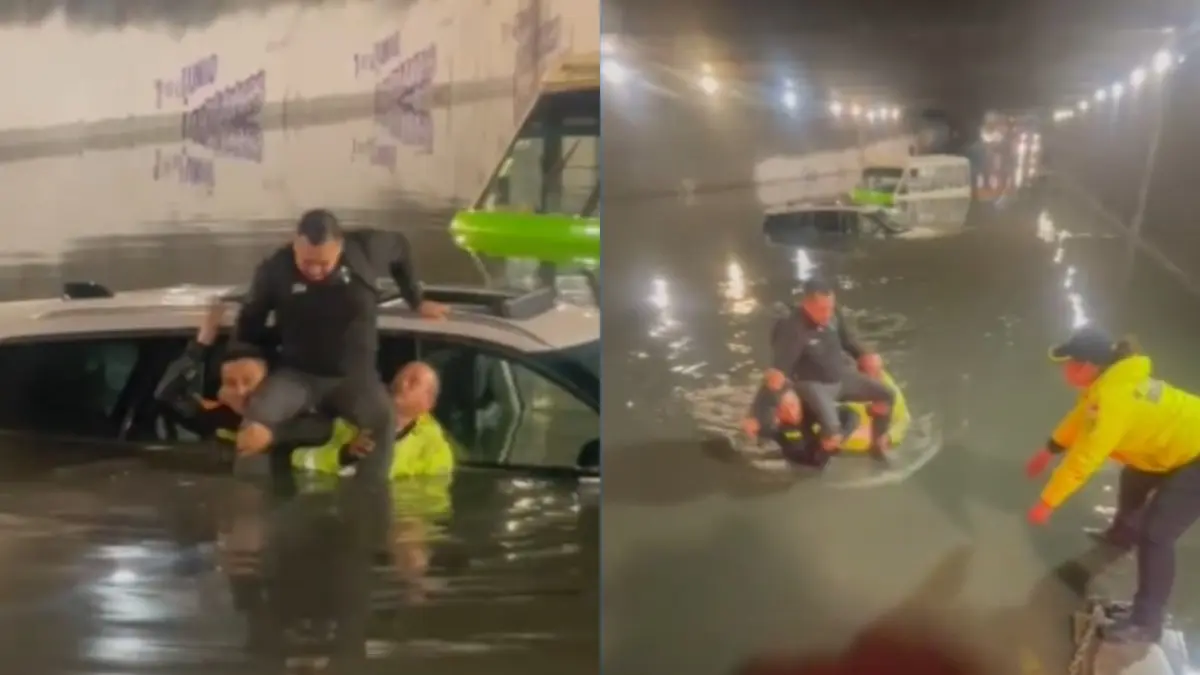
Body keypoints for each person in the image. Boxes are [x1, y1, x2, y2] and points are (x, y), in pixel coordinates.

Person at [234, 208, 449, 483]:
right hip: (298, 375)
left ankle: (372, 500)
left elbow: (401, 247)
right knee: (257, 421)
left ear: (339, 246)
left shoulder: (366, 250)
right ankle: (247, 500)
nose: (314, 271)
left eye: (324, 263)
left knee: (382, 420)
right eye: (306, 262)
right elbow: (249, 325)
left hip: (354, 378)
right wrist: (250, 362)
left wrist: (416, 300)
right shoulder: (274, 269)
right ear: (295, 244)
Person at [1024, 325, 1200, 643]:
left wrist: (1047, 502)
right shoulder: (1109, 382)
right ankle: (1121, 536)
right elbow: (1081, 417)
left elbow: (1085, 459)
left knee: (1157, 535)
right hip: (1172, 445)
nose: (1064, 370)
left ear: (1087, 366)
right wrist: (1050, 448)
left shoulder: (1113, 400)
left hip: (1195, 456)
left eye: (1069, 363)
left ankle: (1146, 623)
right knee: (1132, 477)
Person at [155, 298, 345, 457]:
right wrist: (200, 346)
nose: (241, 391)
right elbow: (167, 394)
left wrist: (271, 435)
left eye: (249, 381)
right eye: (230, 383)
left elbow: (322, 428)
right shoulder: (218, 418)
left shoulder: (296, 417)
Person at [743, 277, 894, 459]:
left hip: (842, 377)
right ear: (807, 304)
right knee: (833, 431)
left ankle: (878, 445)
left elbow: (848, 341)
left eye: (830, 308)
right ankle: (818, 454)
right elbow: (777, 375)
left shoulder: (833, 313)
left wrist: (865, 355)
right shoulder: (792, 329)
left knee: (886, 396)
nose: (828, 314)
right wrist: (755, 413)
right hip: (814, 384)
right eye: (822, 310)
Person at [291, 361, 455, 479]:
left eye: (413, 382)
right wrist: (344, 455)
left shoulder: (434, 448)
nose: (402, 383)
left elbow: (433, 496)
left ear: (428, 403)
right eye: (400, 376)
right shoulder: (350, 420)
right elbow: (298, 459)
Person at [743, 382, 862, 468]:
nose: (792, 413)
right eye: (784, 410)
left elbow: (851, 414)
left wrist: (840, 435)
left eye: (793, 405)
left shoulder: (812, 406)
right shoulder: (770, 426)